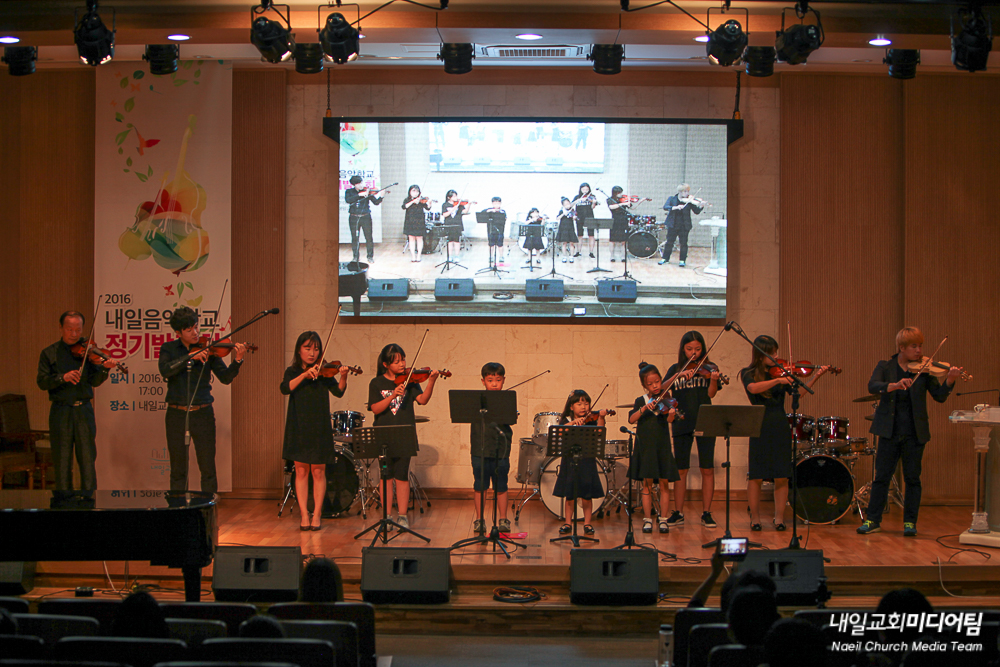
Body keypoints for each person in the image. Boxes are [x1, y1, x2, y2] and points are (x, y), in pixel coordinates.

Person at [858, 327, 960, 537]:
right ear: (902, 348)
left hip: (915, 432)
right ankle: (872, 520)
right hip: (889, 431)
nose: (919, 350)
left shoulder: (925, 370)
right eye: (914, 346)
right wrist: (895, 385)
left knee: (913, 479)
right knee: (881, 477)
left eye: (920, 346)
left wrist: (950, 380)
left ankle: (910, 522)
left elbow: (939, 396)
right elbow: (873, 386)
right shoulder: (885, 366)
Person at [741, 335, 829, 531]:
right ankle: (755, 519)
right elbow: (753, 388)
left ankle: (779, 518)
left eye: (776, 352)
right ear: (761, 354)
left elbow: (799, 393)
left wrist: (815, 376)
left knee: (782, 475)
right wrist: (778, 380)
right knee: (756, 475)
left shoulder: (782, 372)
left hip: (779, 424)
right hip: (759, 424)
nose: (776, 356)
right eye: (772, 353)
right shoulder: (748, 373)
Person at [158, 307, 246, 494]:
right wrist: (190, 356)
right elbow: (165, 370)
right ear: (178, 333)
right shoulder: (169, 348)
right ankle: (178, 507)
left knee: (207, 467)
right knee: (178, 468)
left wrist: (237, 361)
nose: (195, 332)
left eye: (196, 327)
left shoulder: (208, 349)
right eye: (189, 329)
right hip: (176, 414)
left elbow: (225, 377)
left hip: (203, 413)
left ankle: (208, 508)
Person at [37, 311, 116, 497]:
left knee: (87, 459)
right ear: (61, 328)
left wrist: (104, 370)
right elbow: (42, 382)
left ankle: (89, 501)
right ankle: (62, 503)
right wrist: (62, 378)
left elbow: (94, 381)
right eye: (69, 329)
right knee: (62, 460)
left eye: (78, 330)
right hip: (60, 410)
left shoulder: (88, 351)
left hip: (83, 410)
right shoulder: (49, 353)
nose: (74, 334)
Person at [280, 331, 349, 531]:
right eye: (308, 348)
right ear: (299, 350)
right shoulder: (292, 371)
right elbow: (285, 388)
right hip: (298, 426)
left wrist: (343, 376)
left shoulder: (324, 372)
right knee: (301, 471)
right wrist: (304, 375)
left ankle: (317, 514)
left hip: (319, 426)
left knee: (318, 471)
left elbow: (338, 391)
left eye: (316, 349)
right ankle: (304, 514)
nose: (312, 353)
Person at [368, 343, 438, 529]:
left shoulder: (411, 381)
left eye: (403, 359)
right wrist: (392, 396)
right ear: (385, 364)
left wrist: (431, 381)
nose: (402, 364)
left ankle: (402, 516)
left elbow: (423, 400)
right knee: (385, 476)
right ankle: (386, 516)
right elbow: (375, 408)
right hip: (383, 435)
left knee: (402, 475)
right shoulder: (376, 383)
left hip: (404, 435)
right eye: (396, 361)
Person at [664, 331, 721, 529]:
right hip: (682, 420)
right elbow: (662, 390)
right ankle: (678, 512)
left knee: (707, 468)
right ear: (683, 350)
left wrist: (714, 379)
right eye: (689, 349)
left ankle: (706, 513)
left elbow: (711, 394)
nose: (693, 353)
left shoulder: (710, 368)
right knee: (681, 469)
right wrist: (678, 375)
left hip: (705, 420)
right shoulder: (675, 368)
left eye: (697, 349)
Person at [628, 362, 680, 533]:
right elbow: (631, 419)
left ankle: (663, 519)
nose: (655, 386)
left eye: (657, 382)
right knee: (647, 484)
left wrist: (671, 414)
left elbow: (669, 421)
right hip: (646, 447)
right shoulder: (640, 401)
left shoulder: (666, 399)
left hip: (662, 446)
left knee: (664, 483)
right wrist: (644, 408)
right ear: (644, 385)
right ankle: (647, 519)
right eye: (650, 384)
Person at [552, 390, 609, 536]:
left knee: (586, 494)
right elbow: (560, 431)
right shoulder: (566, 420)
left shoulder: (591, 420)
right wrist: (573, 423)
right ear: (571, 407)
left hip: (587, 460)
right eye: (579, 404)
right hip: (570, 460)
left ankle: (587, 523)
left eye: (586, 403)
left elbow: (599, 432)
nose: (583, 407)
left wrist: (601, 417)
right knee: (570, 495)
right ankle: (567, 523)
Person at [470, 362, 512, 535]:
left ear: (504, 380)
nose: (494, 384)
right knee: (480, 485)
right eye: (490, 380)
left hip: (500, 449)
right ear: (483, 381)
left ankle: (503, 519)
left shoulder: (507, 400)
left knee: (501, 484)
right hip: (479, 448)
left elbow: (510, 420)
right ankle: (480, 520)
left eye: (498, 380)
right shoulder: (476, 401)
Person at [658, 183, 704, 268]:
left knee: (683, 243)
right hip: (673, 224)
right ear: (680, 191)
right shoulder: (672, 198)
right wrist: (675, 207)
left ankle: (682, 260)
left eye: (688, 191)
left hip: (684, 225)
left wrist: (701, 206)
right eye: (685, 191)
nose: (687, 193)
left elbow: (696, 211)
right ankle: (665, 258)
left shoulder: (689, 201)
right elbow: (665, 207)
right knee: (669, 242)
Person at [345, 174, 385, 264]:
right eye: (358, 183)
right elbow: (348, 200)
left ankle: (370, 256)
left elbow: (376, 202)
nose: (361, 185)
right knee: (355, 238)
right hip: (354, 217)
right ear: (354, 184)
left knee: (369, 237)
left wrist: (381, 196)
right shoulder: (349, 192)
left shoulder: (367, 191)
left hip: (366, 217)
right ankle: (355, 257)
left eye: (361, 182)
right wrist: (359, 195)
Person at [401, 184, 431, 263]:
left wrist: (429, 204)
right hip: (410, 221)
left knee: (419, 239)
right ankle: (413, 256)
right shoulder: (407, 200)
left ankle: (418, 256)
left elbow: (427, 208)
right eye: (413, 191)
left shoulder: (421, 200)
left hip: (420, 221)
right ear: (410, 192)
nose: (415, 193)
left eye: (417, 191)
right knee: (411, 239)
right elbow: (404, 207)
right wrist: (413, 201)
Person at [572, 183, 597, 258]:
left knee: (591, 235)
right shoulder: (577, 197)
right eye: (583, 189)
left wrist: (594, 203)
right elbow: (571, 205)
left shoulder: (592, 197)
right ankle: (578, 251)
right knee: (580, 235)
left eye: (587, 189)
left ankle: (591, 252)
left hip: (589, 217)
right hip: (579, 217)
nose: (585, 191)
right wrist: (579, 200)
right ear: (580, 189)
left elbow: (592, 207)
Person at [441, 190, 467, 260]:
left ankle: (457, 256)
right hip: (448, 224)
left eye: (456, 196)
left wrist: (469, 205)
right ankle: (450, 256)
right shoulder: (445, 205)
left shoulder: (459, 204)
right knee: (450, 241)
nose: (456, 198)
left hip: (457, 224)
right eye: (454, 196)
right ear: (449, 197)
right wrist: (452, 210)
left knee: (457, 241)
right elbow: (444, 214)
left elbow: (465, 211)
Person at [607, 186, 630, 262]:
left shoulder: (624, 199)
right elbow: (611, 207)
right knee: (612, 240)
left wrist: (628, 203)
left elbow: (631, 207)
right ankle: (612, 256)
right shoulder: (610, 200)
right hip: (615, 221)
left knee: (623, 240)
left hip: (623, 220)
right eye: (619, 193)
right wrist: (622, 204)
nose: (621, 194)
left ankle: (623, 256)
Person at [482, 197, 507, 267]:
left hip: (500, 230)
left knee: (500, 244)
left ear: (500, 204)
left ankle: (501, 256)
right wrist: (490, 210)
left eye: (498, 203)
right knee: (491, 244)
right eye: (495, 203)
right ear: (492, 203)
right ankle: (491, 256)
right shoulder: (489, 210)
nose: (496, 205)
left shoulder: (502, 211)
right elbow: (482, 213)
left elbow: (504, 218)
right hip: (491, 230)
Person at [555, 197, 578, 263]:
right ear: (563, 205)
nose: (567, 205)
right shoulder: (561, 211)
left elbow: (575, 218)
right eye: (565, 204)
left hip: (570, 228)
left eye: (568, 203)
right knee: (564, 243)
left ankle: (571, 256)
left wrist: (574, 217)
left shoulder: (572, 210)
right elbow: (557, 218)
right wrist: (563, 214)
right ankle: (564, 256)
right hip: (563, 228)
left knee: (571, 243)